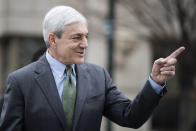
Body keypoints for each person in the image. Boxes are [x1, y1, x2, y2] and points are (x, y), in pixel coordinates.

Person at [0, 5, 185, 131]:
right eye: (77, 37)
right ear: (53, 39)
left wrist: (154, 83)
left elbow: (131, 117)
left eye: (86, 36)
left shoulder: (98, 77)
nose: (85, 44)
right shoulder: (21, 81)